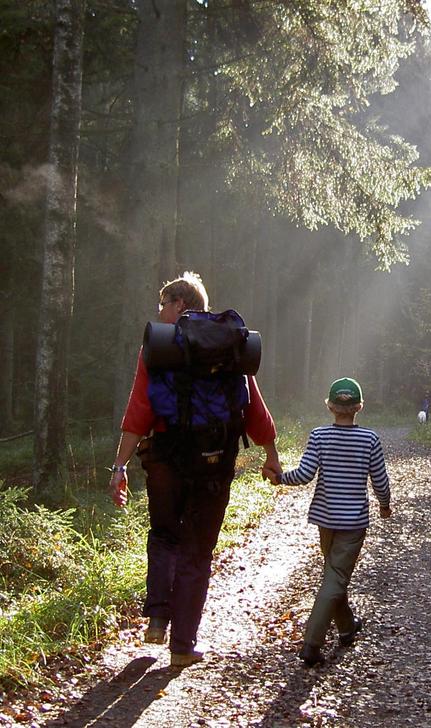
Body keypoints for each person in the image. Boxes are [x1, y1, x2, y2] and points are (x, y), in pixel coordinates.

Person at [109, 272, 281, 667]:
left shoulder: (158, 346)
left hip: (165, 457)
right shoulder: (230, 343)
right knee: (198, 551)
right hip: (215, 460)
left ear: (180, 304)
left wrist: (120, 465)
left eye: (164, 304)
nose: (160, 312)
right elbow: (253, 407)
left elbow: (139, 411)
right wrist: (271, 454)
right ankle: (182, 647)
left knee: (164, 534)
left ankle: (157, 618)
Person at [264, 377, 391, 667]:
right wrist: (384, 505)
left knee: (334, 575)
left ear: (330, 406)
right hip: (353, 522)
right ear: (359, 406)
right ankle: (312, 643)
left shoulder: (320, 436)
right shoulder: (369, 439)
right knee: (335, 577)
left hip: (326, 520)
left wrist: (280, 478)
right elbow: (380, 480)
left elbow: (305, 474)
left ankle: (347, 628)